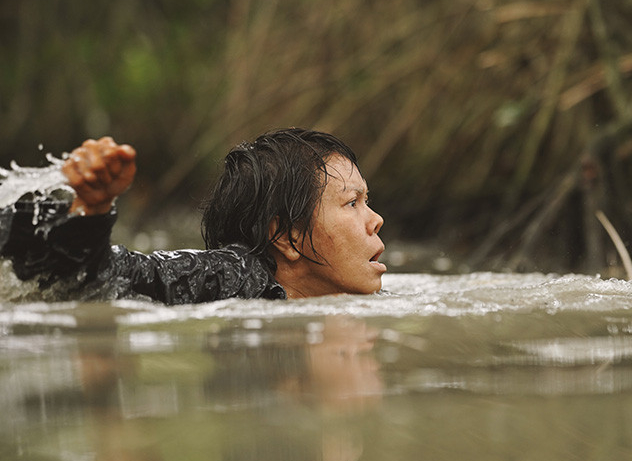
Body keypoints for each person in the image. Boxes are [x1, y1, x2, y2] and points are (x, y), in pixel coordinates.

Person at [0, 128, 386, 304]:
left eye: (366, 201)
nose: (376, 219)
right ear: (288, 237)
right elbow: (109, 278)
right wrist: (92, 213)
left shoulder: (326, 298)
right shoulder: (233, 278)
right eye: (352, 202)